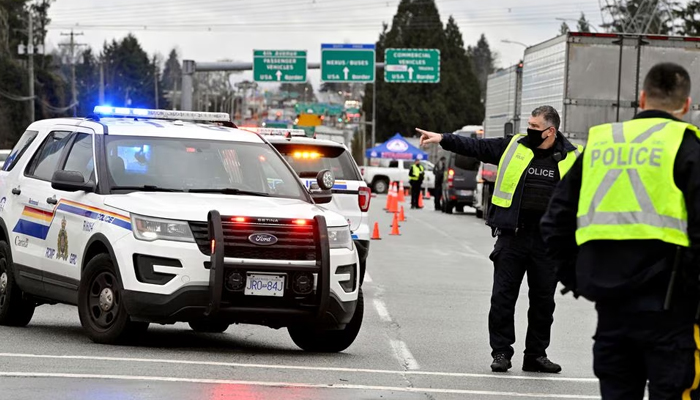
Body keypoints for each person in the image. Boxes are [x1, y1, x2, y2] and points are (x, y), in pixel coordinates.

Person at [541, 63, 700, 399]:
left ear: (641, 98)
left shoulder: (601, 143)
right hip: (670, 311)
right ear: (686, 105)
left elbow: (555, 222)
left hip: (611, 306)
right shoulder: (688, 148)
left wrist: (576, 278)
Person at [418, 106, 582, 373]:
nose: (529, 130)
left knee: (544, 303)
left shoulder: (573, 158)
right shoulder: (514, 146)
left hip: (548, 243)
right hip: (513, 237)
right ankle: (502, 352)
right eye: (529, 124)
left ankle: (536, 356)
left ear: (551, 131)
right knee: (502, 299)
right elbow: (477, 147)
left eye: (535, 127)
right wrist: (443, 138)